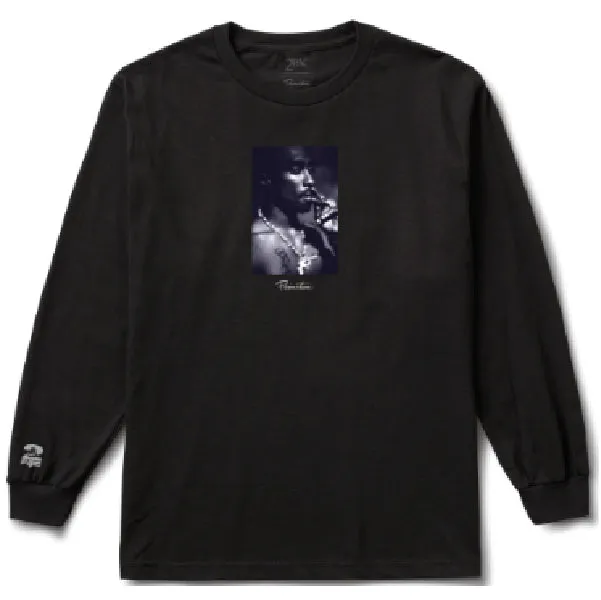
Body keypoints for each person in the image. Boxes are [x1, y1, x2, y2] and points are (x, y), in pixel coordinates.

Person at [252, 146, 338, 274]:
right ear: (267, 179)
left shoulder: (317, 235)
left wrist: (335, 239)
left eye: (311, 170)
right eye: (296, 170)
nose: (310, 181)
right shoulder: (255, 241)